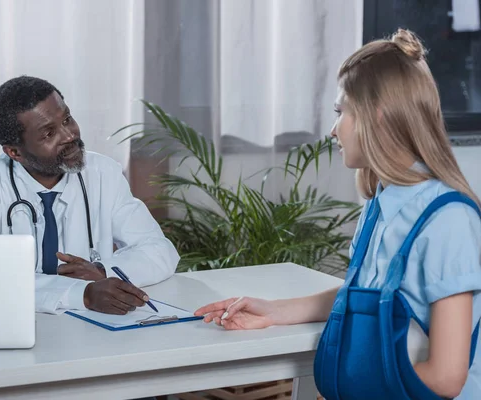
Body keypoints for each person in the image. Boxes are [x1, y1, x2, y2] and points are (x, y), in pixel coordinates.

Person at [195, 29, 481, 399]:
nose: (333, 130)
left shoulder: (448, 221)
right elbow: (363, 294)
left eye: (340, 111)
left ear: (376, 117)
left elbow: (445, 377)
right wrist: (274, 311)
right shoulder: (382, 202)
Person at [0, 75, 179, 315]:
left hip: (93, 328)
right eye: (49, 134)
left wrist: (102, 271)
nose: (69, 135)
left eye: (67, 119)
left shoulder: (103, 173)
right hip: (13, 320)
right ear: (14, 152)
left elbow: (159, 250)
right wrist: (82, 294)